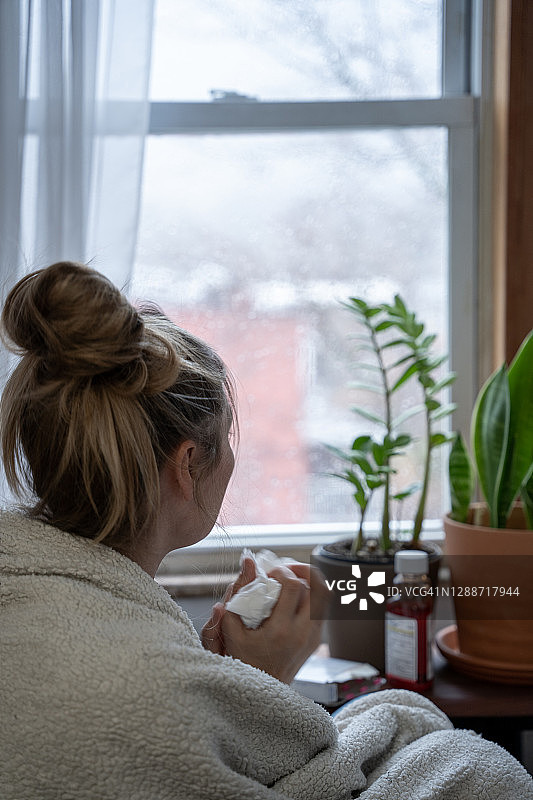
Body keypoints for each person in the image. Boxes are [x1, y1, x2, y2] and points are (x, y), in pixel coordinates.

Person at [0, 261, 531, 800]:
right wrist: (257, 681)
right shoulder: (151, 687)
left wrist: (226, 678)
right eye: (227, 438)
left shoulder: (33, 601)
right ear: (186, 464)